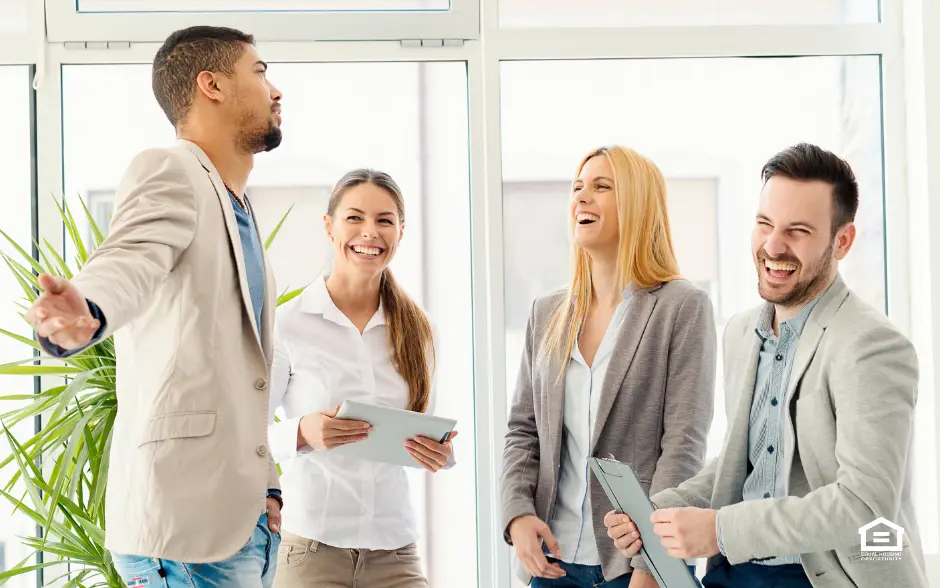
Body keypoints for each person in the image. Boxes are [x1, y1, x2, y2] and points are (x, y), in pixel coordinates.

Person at [25, 26, 286, 587]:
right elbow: (129, 259)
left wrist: (268, 487)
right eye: (260, 73)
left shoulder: (236, 204)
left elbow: (243, 376)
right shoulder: (172, 169)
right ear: (211, 84)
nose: (275, 90)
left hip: (239, 529)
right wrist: (89, 308)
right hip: (186, 531)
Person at [604, 143, 929, 588]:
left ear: (843, 241)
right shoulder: (740, 333)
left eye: (797, 231)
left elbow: (863, 504)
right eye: (764, 224)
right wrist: (658, 511)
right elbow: (747, 462)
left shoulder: (872, 346)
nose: (773, 246)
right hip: (735, 574)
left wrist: (719, 530)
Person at [500, 145, 717, 587]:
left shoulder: (681, 307)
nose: (582, 197)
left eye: (602, 187)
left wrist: (653, 563)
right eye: (578, 187)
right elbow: (523, 430)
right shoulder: (547, 312)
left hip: (631, 564)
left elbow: (683, 445)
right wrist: (517, 514)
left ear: (638, 203)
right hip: (552, 562)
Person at [267, 169, 455, 588]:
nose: (370, 232)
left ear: (400, 233)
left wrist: (438, 454)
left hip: (395, 551)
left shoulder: (419, 330)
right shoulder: (288, 325)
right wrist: (301, 432)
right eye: (354, 218)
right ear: (329, 226)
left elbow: (424, 428)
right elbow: (248, 439)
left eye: (384, 220)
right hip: (310, 552)